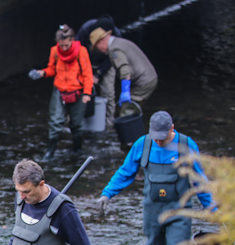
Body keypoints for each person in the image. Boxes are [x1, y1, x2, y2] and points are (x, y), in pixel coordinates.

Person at [97, 111, 215, 245]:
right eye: (155, 137)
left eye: (163, 137)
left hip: (179, 212)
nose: (159, 142)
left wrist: (211, 207)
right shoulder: (142, 145)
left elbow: (198, 178)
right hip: (152, 212)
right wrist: (107, 193)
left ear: (172, 128)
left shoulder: (186, 145)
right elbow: (126, 172)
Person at [28, 24, 93, 160]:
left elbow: (87, 74)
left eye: (67, 45)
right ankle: (49, 153)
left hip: (77, 92)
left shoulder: (81, 51)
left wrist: (87, 93)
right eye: (61, 45)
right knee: (55, 122)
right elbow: (52, 69)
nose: (64, 48)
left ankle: (77, 151)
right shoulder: (55, 51)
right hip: (60, 91)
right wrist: (42, 73)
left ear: (72, 41)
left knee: (76, 124)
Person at [90, 27, 158, 119]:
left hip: (143, 82)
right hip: (149, 77)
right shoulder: (120, 42)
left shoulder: (114, 50)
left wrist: (125, 91)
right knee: (133, 110)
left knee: (127, 111)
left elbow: (125, 70)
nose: (99, 50)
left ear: (101, 41)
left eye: (97, 47)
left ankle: (130, 131)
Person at [77, 15, 122, 130]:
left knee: (108, 93)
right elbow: (77, 50)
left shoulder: (116, 35)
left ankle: (108, 124)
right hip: (86, 62)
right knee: (76, 89)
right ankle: (73, 121)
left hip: (106, 64)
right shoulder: (86, 29)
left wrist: (98, 74)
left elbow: (113, 58)